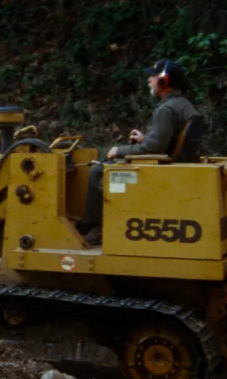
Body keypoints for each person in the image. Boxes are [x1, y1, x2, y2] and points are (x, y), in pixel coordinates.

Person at [80, 60, 202, 243]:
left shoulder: (166, 110)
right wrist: (146, 139)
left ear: (163, 82)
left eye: (153, 77)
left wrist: (119, 150)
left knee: (99, 172)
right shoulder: (183, 104)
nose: (149, 80)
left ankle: (98, 227)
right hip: (172, 162)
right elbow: (165, 141)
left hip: (161, 169)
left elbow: (154, 148)